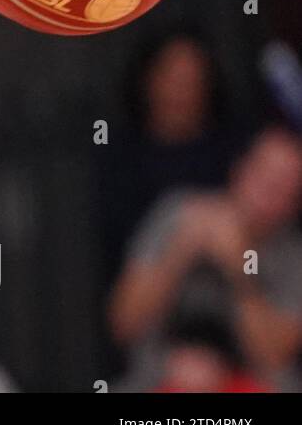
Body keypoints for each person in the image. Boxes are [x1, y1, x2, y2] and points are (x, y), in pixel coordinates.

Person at [109, 127, 302, 391]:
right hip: (160, 378)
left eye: (282, 188)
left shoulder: (294, 255)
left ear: (294, 204)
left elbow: (274, 355)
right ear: (240, 169)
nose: (265, 195)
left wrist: (238, 266)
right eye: (262, 176)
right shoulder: (179, 211)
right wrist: (180, 251)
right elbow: (123, 323)